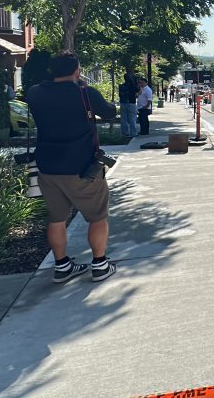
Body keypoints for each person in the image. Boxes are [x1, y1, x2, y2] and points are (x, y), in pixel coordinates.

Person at [26, 52, 118, 284]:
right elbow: (109, 112)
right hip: (82, 167)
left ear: (52, 70)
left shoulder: (35, 93)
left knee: (56, 218)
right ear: (76, 70)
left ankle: (62, 266)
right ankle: (99, 264)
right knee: (97, 216)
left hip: (47, 167)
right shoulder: (85, 94)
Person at [118, 72, 138, 138]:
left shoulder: (121, 86)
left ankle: (125, 133)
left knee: (124, 118)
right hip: (131, 103)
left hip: (123, 103)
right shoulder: (133, 86)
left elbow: (119, 95)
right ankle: (133, 133)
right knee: (132, 118)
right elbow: (138, 91)